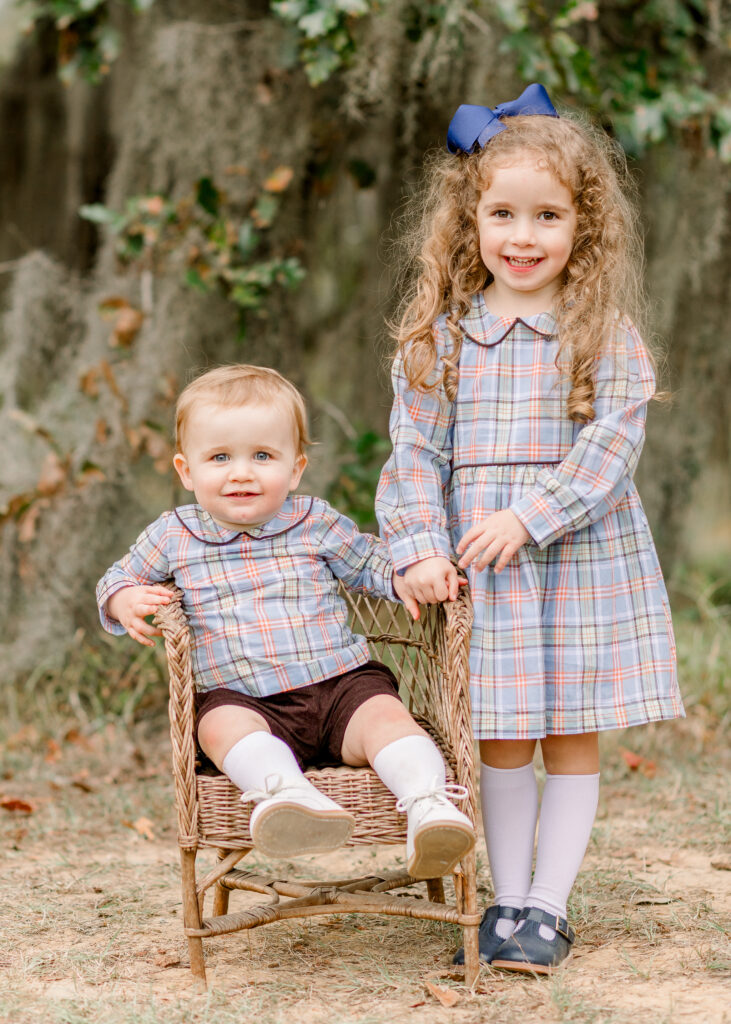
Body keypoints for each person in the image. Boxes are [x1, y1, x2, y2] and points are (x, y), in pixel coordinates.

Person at [376, 84, 684, 972]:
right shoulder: (436, 341)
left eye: (546, 215)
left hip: (578, 555)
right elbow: (411, 458)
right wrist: (420, 546)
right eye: (501, 213)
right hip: (485, 568)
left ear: (580, 229)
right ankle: (504, 900)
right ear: (467, 222)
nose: (522, 236)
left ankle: (549, 905)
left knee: (567, 733)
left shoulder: (603, 336)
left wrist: (529, 513)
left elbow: (609, 449)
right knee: (500, 733)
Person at [96, 364, 474, 879]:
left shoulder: (313, 521)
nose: (241, 472)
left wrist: (409, 576)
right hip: (243, 698)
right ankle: (288, 797)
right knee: (218, 725)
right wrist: (122, 599)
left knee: (388, 720)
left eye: (263, 456)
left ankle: (429, 807)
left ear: (295, 469)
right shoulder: (173, 535)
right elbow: (117, 576)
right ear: (187, 471)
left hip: (340, 685)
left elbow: (367, 562)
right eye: (220, 458)